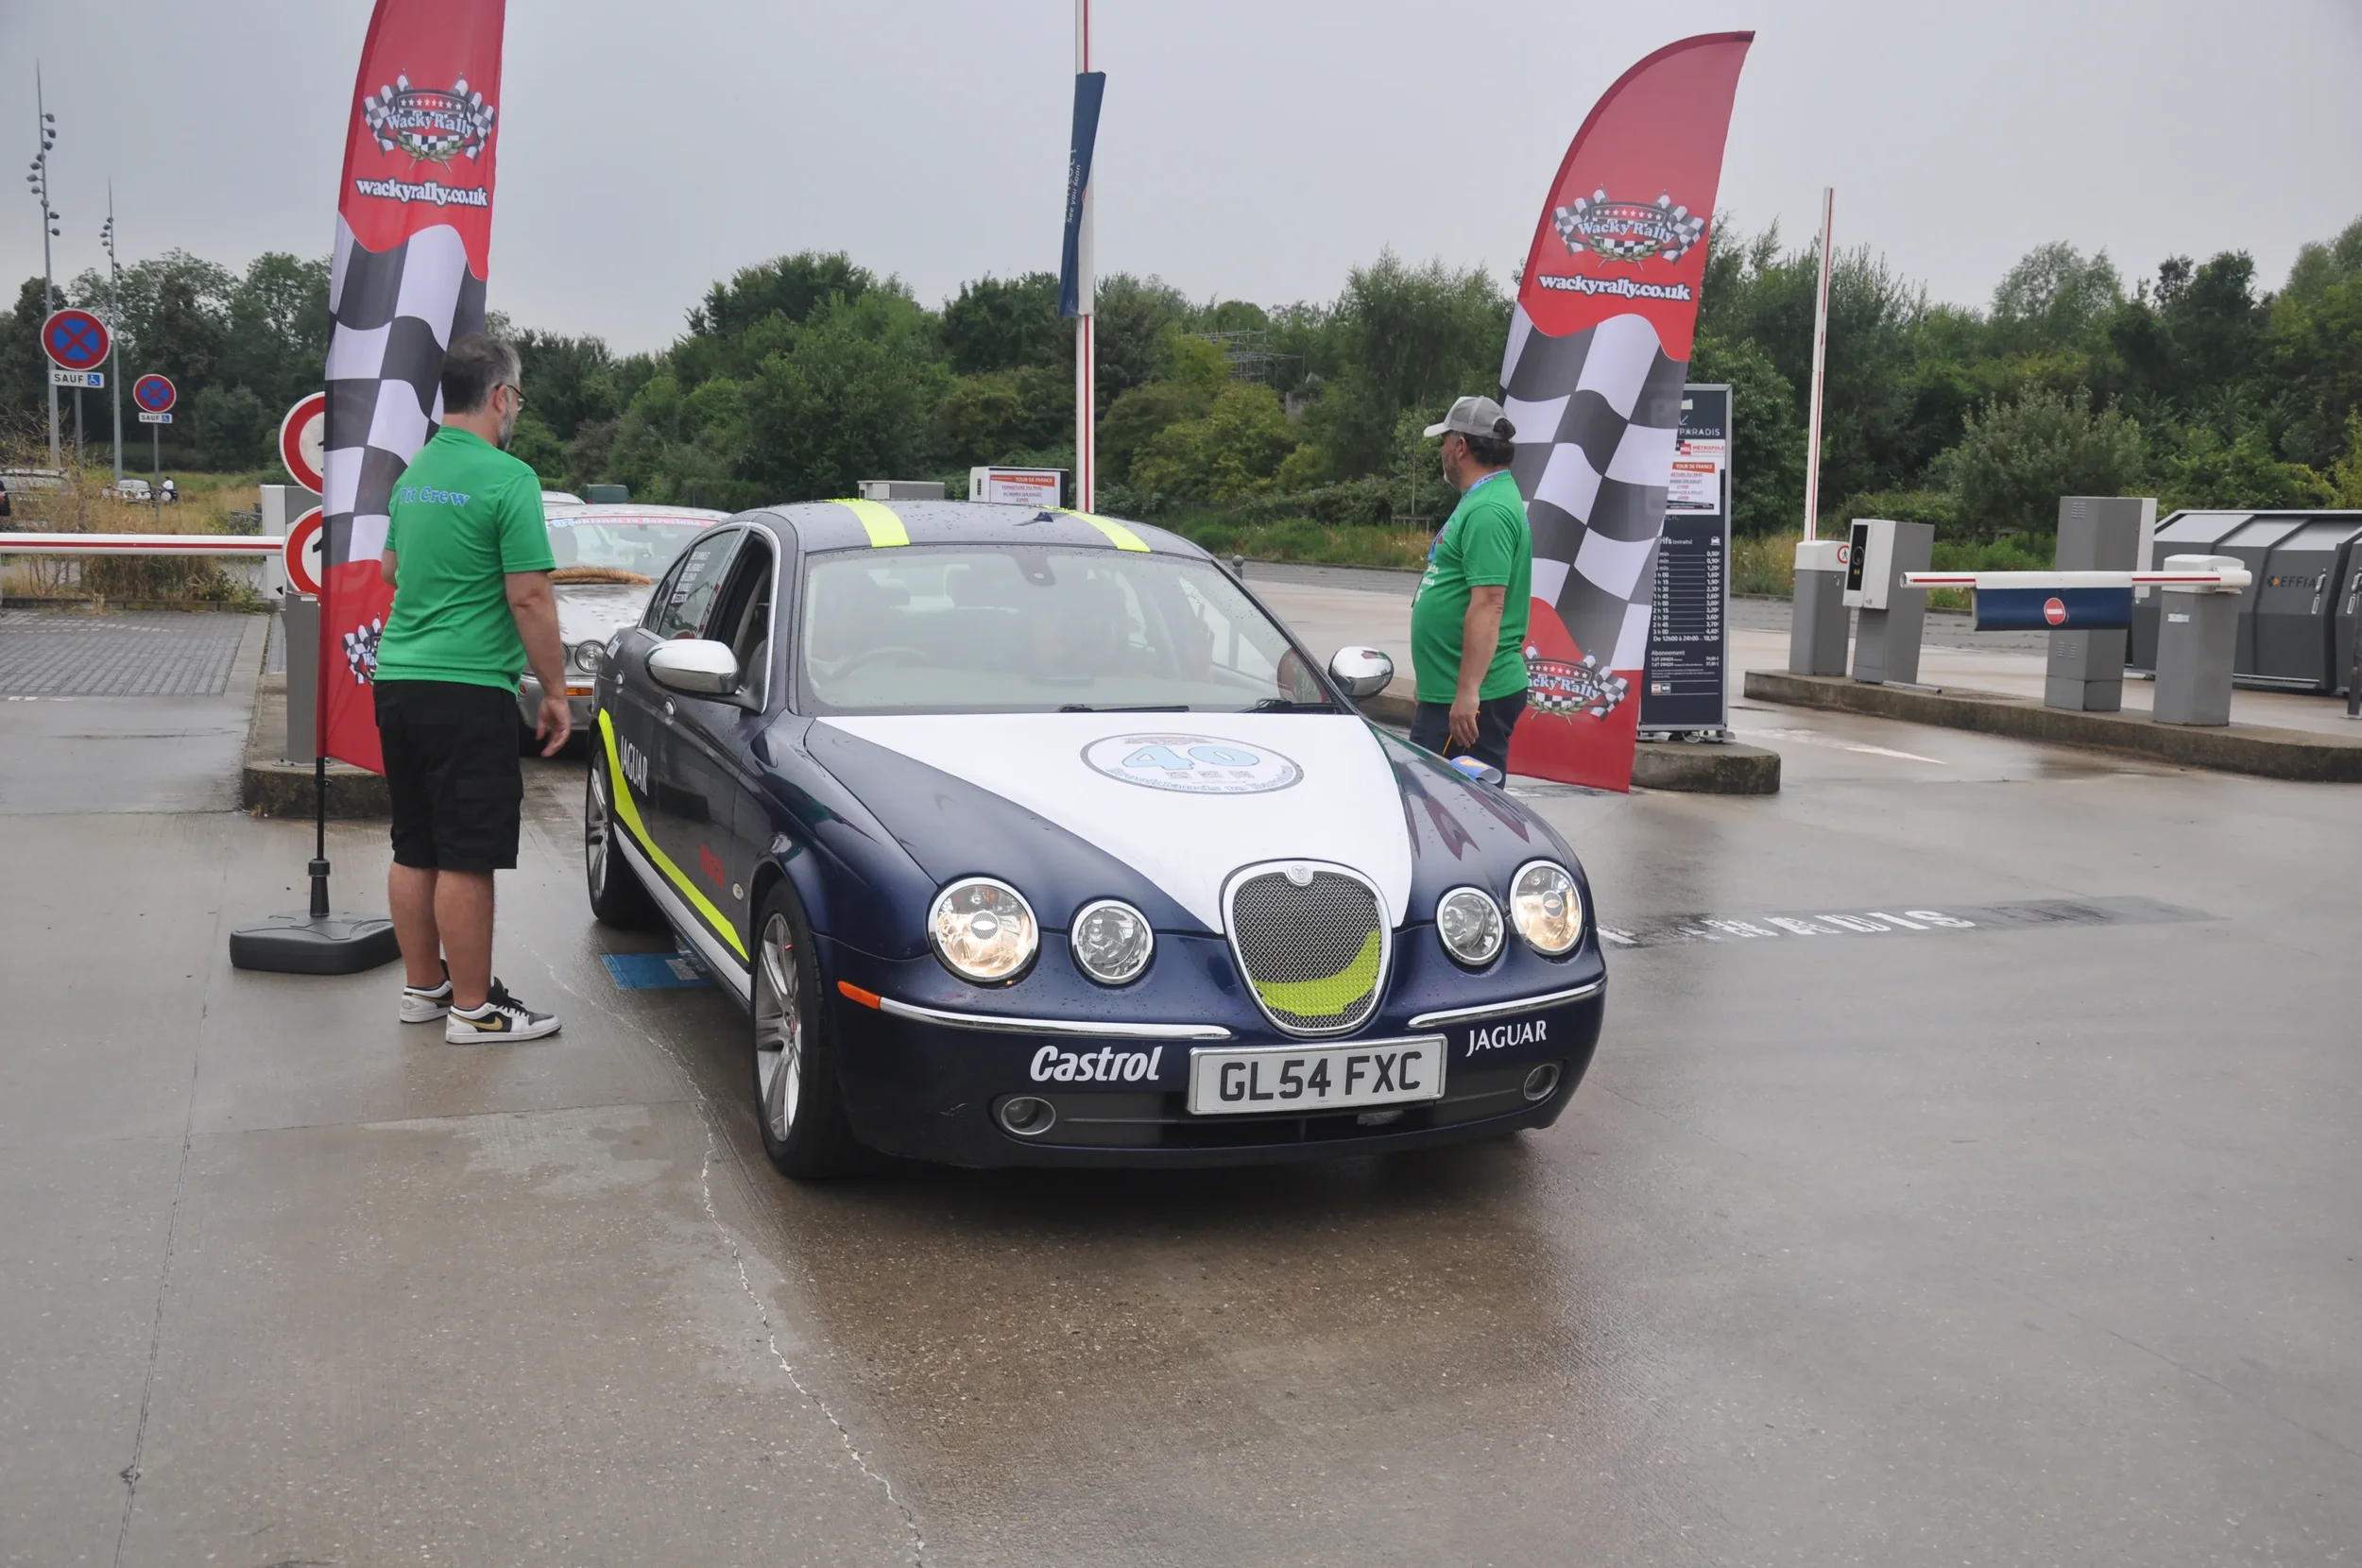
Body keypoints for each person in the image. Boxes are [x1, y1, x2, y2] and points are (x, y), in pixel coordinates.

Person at [374, 333, 569, 1042]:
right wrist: (555, 689)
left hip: (397, 679)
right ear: (502, 396)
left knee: (414, 843)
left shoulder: (414, 472)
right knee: (467, 852)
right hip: (466, 689)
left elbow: (392, 571)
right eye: (517, 397)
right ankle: (475, 1011)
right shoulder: (507, 478)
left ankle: (424, 990)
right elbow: (530, 597)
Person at [1409, 395, 1532, 777]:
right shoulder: (1481, 500)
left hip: (1472, 700)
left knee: (1463, 815)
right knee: (1445, 812)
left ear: (1460, 446)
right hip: (1450, 691)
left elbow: (1490, 605)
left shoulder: (1488, 510)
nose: (1442, 450)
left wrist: (1466, 693)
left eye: (1444, 440)